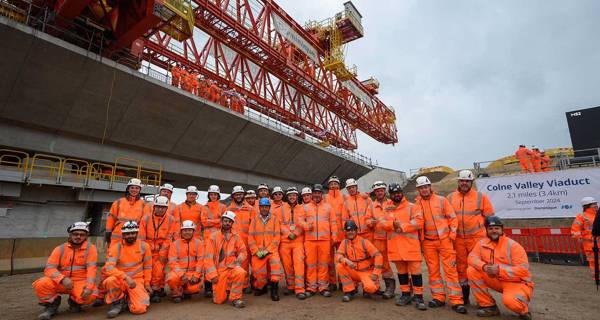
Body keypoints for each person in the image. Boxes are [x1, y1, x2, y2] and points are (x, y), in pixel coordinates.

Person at [414, 176, 467, 314]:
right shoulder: (417, 205)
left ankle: (456, 301)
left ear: (430, 187)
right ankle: (438, 298)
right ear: (418, 190)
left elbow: (453, 218)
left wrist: (452, 236)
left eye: (426, 187)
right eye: (421, 188)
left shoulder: (441, 200)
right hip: (428, 243)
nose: (424, 190)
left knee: (451, 271)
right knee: (433, 272)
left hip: (445, 241)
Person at [468, 216, 534, 319]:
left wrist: (499, 270)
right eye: (490, 229)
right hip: (497, 279)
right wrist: (484, 267)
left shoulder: (513, 246)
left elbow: (523, 270)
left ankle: (523, 311)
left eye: (497, 228)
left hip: (516, 282)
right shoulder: (482, 243)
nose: (494, 231)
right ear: (486, 230)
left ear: (502, 230)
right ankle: (489, 307)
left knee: (511, 302)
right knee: (472, 271)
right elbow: (471, 257)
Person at [447, 170, 495, 304]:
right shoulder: (450, 197)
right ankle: (464, 297)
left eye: (467, 181)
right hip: (458, 240)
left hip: (477, 239)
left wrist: (491, 237)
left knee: (478, 268)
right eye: (462, 181)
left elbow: (490, 217)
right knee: (461, 269)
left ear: (471, 182)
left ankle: (484, 301)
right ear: (458, 182)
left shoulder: (481, 197)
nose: (464, 183)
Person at [33, 222, 98, 320]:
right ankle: (51, 306)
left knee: (91, 294)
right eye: (75, 234)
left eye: (82, 234)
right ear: (70, 235)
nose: (78, 237)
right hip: (61, 282)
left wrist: (88, 288)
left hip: (80, 282)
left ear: (86, 236)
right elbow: (49, 268)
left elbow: (91, 270)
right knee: (42, 284)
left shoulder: (91, 249)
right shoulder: (60, 249)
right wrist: (62, 279)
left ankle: (74, 302)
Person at [383, 183, 427, 310]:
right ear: (390, 195)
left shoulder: (412, 207)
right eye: (393, 193)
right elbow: (381, 223)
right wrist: (392, 224)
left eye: (398, 192)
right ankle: (405, 295)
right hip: (396, 247)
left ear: (401, 193)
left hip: (411, 247)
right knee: (401, 273)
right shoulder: (387, 208)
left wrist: (402, 226)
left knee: (416, 273)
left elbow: (419, 221)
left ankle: (419, 297)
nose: (396, 195)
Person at [103, 221, 152, 318]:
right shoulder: (116, 247)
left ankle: (129, 299)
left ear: (137, 233)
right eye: (127, 233)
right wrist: (125, 277)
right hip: (120, 280)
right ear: (123, 235)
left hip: (137, 281)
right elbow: (109, 268)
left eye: (133, 233)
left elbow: (148, 267)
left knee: (139, 309)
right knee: (110, 280)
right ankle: (117, 303)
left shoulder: (144, 246)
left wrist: (147, 283)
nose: (130, 235)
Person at [138, 195, 179, 303]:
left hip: (162, 249)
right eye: (158, 207)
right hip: (147, 249)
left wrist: (162, 253)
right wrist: (144, 251)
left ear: (166, 208)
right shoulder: (145, 218)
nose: (160, 209)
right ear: (154, 207)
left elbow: (169, 238)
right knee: (146, 270)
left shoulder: (171, 219)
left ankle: (156, 291)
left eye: (163, 207)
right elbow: (141, 237)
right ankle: (147, 289)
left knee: (158, 270)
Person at [204, 211, 247, 308]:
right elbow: (208, 258)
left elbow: (243, 251)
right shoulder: (213, 237)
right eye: (226, 221)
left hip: (232, 267)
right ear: (221, 221)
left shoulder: (236, 236)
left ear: (232, 224)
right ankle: (223, 291)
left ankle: (236, 298)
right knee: (218, 301)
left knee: (240, 272)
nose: (227, 223)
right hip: (219, 271)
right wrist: (213, 275)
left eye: (230, 222)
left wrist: (240, 258)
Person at [303, 184, 338, 297]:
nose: (317, 194)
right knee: (311, 265)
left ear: (321, 194)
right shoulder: (306, 207)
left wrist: (334, 237)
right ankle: (311, 287)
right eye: (315, 192)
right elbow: (299, 220)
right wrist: (306, 225)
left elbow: (333, 223)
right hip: (310, 240)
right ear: (312, 194)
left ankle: (323, 287)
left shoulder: (328, 207)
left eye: (319, 192)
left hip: (324, 240)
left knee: (323, 264)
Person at [335, 220, 383, 302]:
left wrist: (376, 273)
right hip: (353, 271)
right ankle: (350, 291)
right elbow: (337, 256)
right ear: (345, 232)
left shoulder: (364, 242)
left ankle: (368, 287)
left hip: (365, 271)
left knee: (370, 288)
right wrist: (345, 260)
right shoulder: (344, 242)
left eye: (353, 230)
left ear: (356, 231)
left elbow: (378, 256)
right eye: (348, 230)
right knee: (339, 266)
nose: (351, 232)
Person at [248, 198, 283, 301]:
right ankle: (262, 288)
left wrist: (268, 250)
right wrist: (256, 251)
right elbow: (250, 238)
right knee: (258, 272)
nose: (264, 209)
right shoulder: (254, 220)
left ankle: (274, 290)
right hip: (258, 252)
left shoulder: (275, 220)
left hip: (271, 251)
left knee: (276, 269)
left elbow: (277, 237)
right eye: (262, 207)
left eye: (266, 207)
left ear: (269, 208)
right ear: (259, 208)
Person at [279, 187, 307, 299]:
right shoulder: (280, 209)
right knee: (287, 265)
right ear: (287, 196)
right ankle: (290, 286)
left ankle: (300, 289)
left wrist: (295, 233)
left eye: (294, 195)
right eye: (290, 195)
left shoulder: (302, 209)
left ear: (297, 196)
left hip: (298, 241)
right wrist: (287, 233)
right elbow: (279, 224)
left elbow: (304, 223)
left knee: (299, 264)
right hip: (285, 242)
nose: (292, 197)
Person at [166, 220, 204, 303]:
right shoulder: (175, 244)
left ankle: (186, 290)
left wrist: (196, 275)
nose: (187, 232)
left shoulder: (199, 243)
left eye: (189, 230)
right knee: (171, 278)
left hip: (192, 273)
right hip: (179, 274)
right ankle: (177, 293)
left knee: (194, 288)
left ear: (193, 231)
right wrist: (181, 274)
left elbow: (200, 261)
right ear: (181, 231)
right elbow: (172, 262)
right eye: (185, 230)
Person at [227, 186, 255, 293]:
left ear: (243, 195)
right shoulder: (228, 209)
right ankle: (231, 285)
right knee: (231, 263)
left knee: (245, 263)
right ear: (233, 196)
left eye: (240, 194)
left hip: (247, 241)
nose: (238, 196)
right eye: (236, 194)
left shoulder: (251, 209)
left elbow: (254, 226)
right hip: (232, 242)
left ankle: (245, 284)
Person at [370, 181, 395, 298]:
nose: (379, 192)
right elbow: (366, 219)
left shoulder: (392, 202)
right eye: (377, 191)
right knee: (383, 263)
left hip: (393, 238)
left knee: (402, 262)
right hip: (379, 239)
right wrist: (370, 222)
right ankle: (389, 288)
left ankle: (408, 290)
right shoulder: (372, 205)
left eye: (381, 190)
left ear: (384, 191)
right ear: (375, 192)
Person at [105, 178, 147, 245]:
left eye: (137, 188)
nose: (134, 190)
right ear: (128, 189)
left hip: (135, 236)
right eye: (132, 187)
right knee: (114, 254)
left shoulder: (144, 204)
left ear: (139, 190)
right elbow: (111, 218)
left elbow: (145, 222)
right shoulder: (118, 202)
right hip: (118, 236)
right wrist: (108, 232)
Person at [324, 176, 344, 291]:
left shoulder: (344, 197)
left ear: (339, 185)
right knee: (329, 261)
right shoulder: (325, 198)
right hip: (329, 234)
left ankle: (342, 281)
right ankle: (332, 282)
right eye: (331, 184)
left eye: (335, 183)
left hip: (342, 235)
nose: (333, 185)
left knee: (341, 260)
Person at [571, 197, 599, 278]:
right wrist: (578, 237)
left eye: (596, 203)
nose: (596, 205)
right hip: (590, 245)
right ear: (587, 205)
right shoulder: (581, 216)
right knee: (594, 262)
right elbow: (575, 229)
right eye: (594, 204)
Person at [342, 178, 374, 242]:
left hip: (369, 233)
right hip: (355, 234)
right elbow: (344, 219)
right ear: (347, 190)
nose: (351, 189)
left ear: (356, 187)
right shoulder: (346, 203)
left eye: (353, 187)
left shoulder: (367, 199)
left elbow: (373, 214)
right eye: (349, 188)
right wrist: (347, 232)